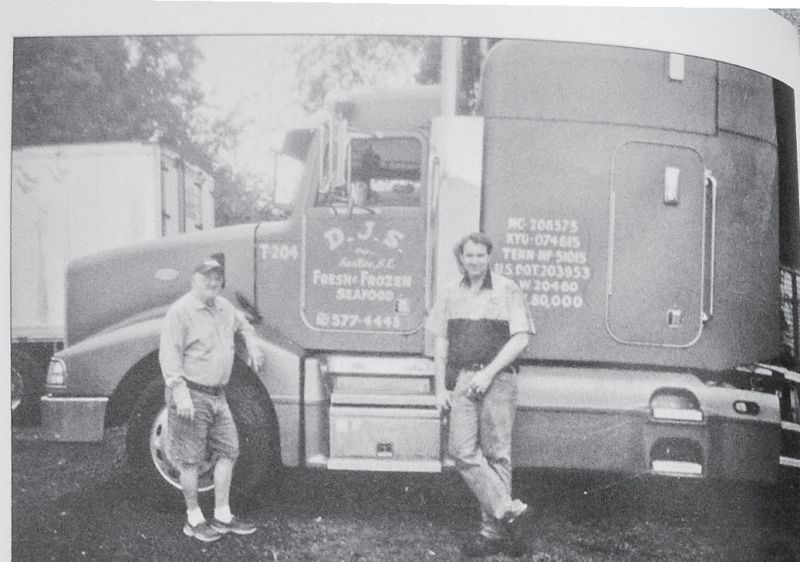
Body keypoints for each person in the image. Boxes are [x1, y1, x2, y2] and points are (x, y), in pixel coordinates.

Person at [426, 232, 535, 558]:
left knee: (496, 454)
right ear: (461, 258)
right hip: (462, 379)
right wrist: (441, 386)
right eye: (468, 256)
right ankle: (509, 511)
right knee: (460, 451)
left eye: (480, 256)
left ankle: (491, 534)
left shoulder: (507, 289)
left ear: (489, 257)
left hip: (498, 379)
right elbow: (442, 344)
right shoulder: (449, 293)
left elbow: (521, 339)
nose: (474, 261)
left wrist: (488, 374)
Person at [159, 258, 264, 542]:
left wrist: (252, 345)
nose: (214, 283)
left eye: (217, 278)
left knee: (229, 452)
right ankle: (193, 519)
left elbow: (244, 325)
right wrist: (180, 394)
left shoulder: (224, 307)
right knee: (190, 461)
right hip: (191, 396)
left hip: (219, 396)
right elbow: (169, 355)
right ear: (194, 280)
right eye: (207, 278)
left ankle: (222, 516)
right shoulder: (181, 312)